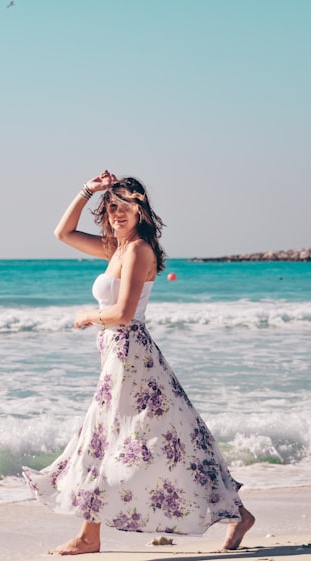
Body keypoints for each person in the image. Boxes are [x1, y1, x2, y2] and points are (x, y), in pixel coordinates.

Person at [22, 170, 255, 555]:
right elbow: (62, 233)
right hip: (119, 355)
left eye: (124, 207)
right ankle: (238, 515)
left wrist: (87, 315)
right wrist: (86, 191)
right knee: (163, 440)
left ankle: (89, 537)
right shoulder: (117, 248)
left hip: (131, 355)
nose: (116, 214)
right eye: (111, 207)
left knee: (106, 440)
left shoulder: (138, 250)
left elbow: (124, 312)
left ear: (140, 209)